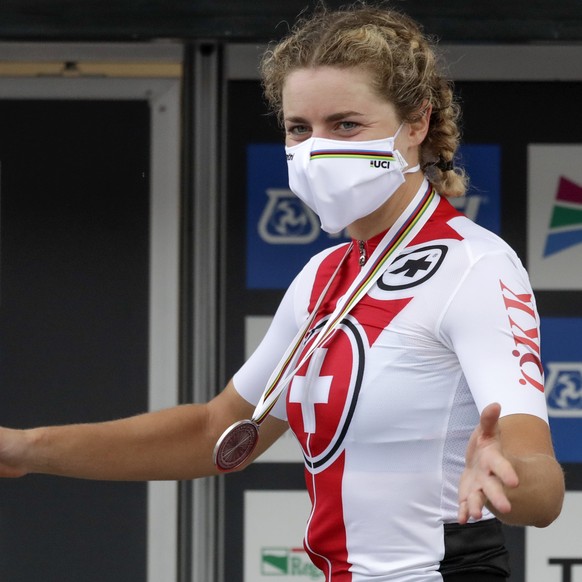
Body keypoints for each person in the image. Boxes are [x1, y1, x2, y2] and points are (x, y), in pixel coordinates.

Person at [0, 3, 564, 581]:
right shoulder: (322, 277)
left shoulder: (476, 266)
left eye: (345, 124)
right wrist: (22, 448)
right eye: (299, 129)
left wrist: (506, 478)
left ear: (416, 125)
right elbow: (212, 433)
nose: (317, 149)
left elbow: (542, 484)